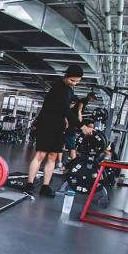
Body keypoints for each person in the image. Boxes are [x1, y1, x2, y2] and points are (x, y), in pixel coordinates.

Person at [24, 65, 84, 197]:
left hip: (59, 126)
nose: (74, 83)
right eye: (72, 80)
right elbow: (65, 109)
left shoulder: (69, 90)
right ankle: (29, 184)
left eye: (77, 81)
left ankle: (45, 186)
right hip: (46, 125)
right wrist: (82, 126)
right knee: (40, 154)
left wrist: (66, 120)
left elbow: (64, 111)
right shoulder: (58, 88)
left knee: (53, 156)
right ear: (66, 76)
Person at [63, 92, 97, 164]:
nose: (93, 100)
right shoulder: (83, 100)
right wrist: (80, 119)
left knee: (91, 124)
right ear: (89, 96)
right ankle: (73, 162)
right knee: (71, 146)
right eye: (93, 98)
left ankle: (86, 135)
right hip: (73, 121)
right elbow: (79, 109)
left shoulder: (85, 101)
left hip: (72, 122)